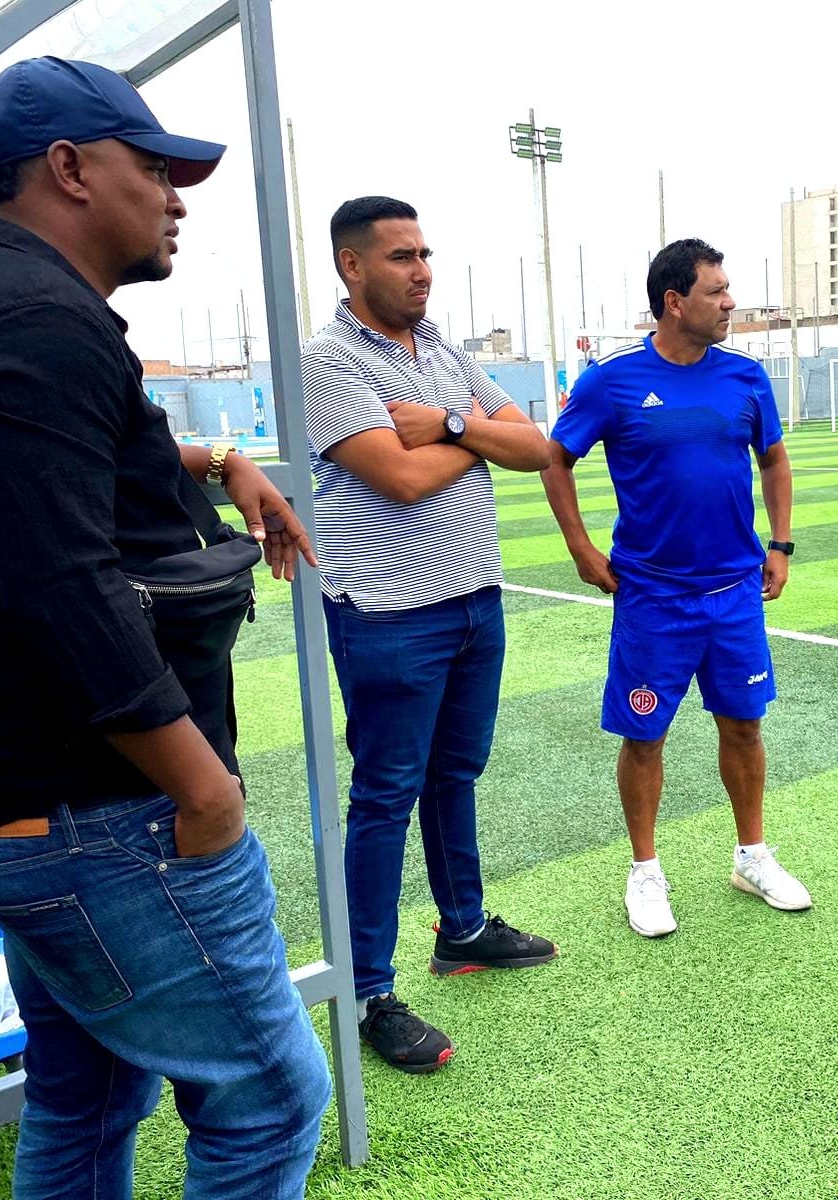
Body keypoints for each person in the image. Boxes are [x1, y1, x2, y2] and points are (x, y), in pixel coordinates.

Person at [0, 58, 329, 1197]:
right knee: (274, 1100)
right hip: (90, 808)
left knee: (87, 1092)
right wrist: (206, 793)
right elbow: (64, 590)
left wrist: (222, 457)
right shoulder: (36, 320)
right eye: (155, 168)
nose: (176, 195)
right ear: (72, 170)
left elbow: (43, 471)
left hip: (17, 789)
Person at [300, 197, 556, 1074]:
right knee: (383, 798)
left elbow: (539, 446)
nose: (421, 269)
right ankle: (368, 990)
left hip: (472, 602)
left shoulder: (442, 350)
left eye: (425, 253)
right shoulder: (328, 361)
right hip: (387, 615)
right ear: (351, 266)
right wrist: (481, 439)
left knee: (455, 774)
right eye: (401, 256)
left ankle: (465, 928)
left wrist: (450, 424)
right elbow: (399, 480)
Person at [541, 238, 811, 939]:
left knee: (744, 725)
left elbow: (775, 461)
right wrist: (579, 547)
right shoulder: (613, 380)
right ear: (674, 301)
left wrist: (778, 544)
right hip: (652, 596)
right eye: (717, 291)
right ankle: (644, 870)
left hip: (733, 593)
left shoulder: (745, 377)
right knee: (643, 735)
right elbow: (554, 458)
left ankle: (751, 855)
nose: (729, 303)